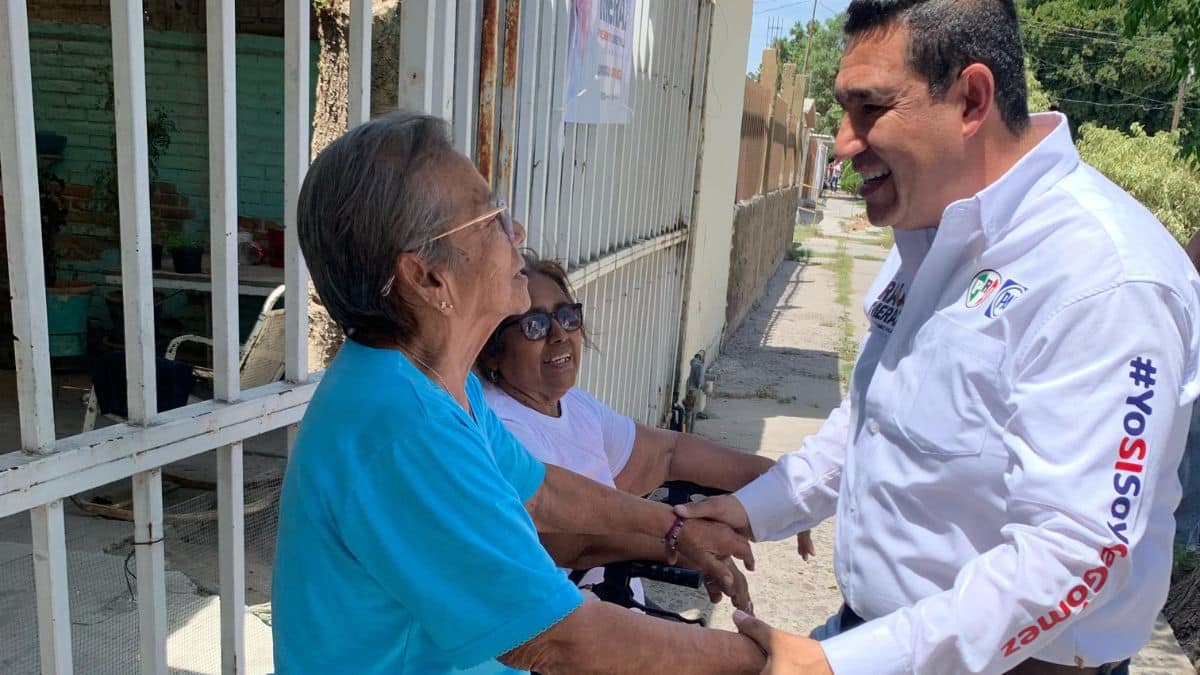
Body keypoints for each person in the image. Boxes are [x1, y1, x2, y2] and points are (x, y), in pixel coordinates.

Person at [678, 2, 1200, 674]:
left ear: (972, 100)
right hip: (874, 637)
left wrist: (840, 665)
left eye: (870, 108)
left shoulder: (1105, 278)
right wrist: (750, 511)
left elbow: (1077, 552)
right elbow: (871, 421)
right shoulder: (933, 231)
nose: (843, 143)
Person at [271, 112, 766, 674]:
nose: (519, 233)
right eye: (491, 219)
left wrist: (674, 528)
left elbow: (541, 490)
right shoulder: (404, 426)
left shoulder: (430, 382)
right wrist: (771, 660)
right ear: (427, 278)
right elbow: (557, 640)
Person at [476, 252, 815, 616]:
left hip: (614, 606)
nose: (559, 335)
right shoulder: (498, 424)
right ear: (492, 351)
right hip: (556, 625)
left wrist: (773, 478)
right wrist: (681, 540)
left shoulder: (575, 406)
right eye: (535, 325)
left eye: (567, 317)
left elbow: (667, 453)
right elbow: (569, 540)